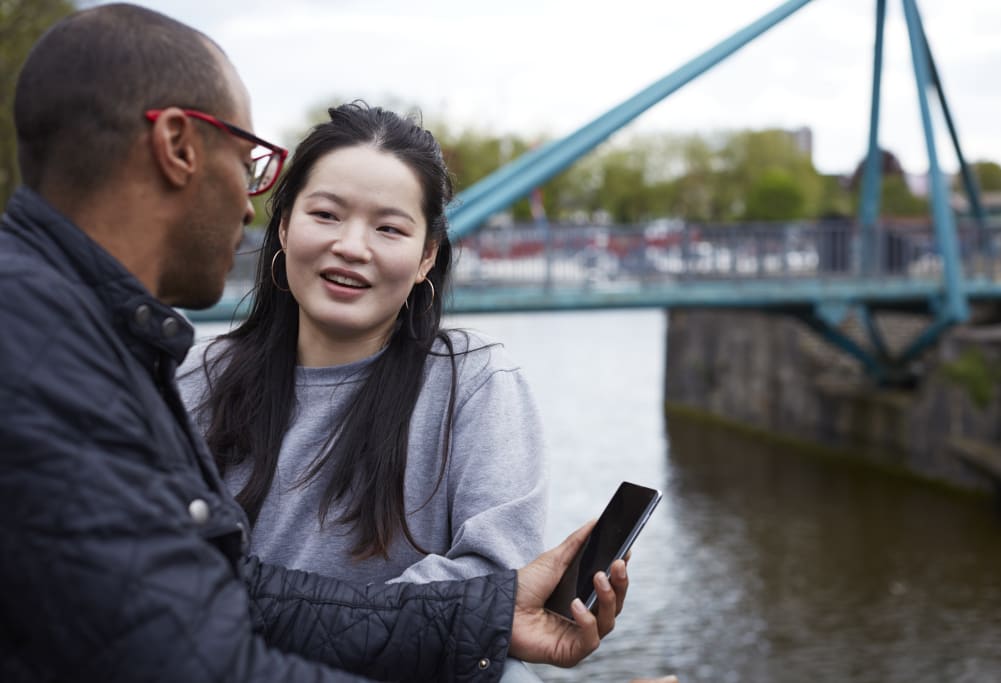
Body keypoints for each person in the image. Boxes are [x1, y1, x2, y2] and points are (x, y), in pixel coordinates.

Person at [0, 4, 631, 682]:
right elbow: (203, 645)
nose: (247, 204)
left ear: (428, 256)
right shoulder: (69, 362)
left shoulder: (72, 337)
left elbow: (218, 597)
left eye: (389, 227)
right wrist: (469, 615)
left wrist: (477, 610)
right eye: (249, 168)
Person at [176, 101, 547, 681]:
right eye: (326, 214)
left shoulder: (475, 382)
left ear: (427, 255)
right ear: (282, 225)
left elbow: (495, 581)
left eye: (389, 228)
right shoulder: (194, 378)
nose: (352, 246)